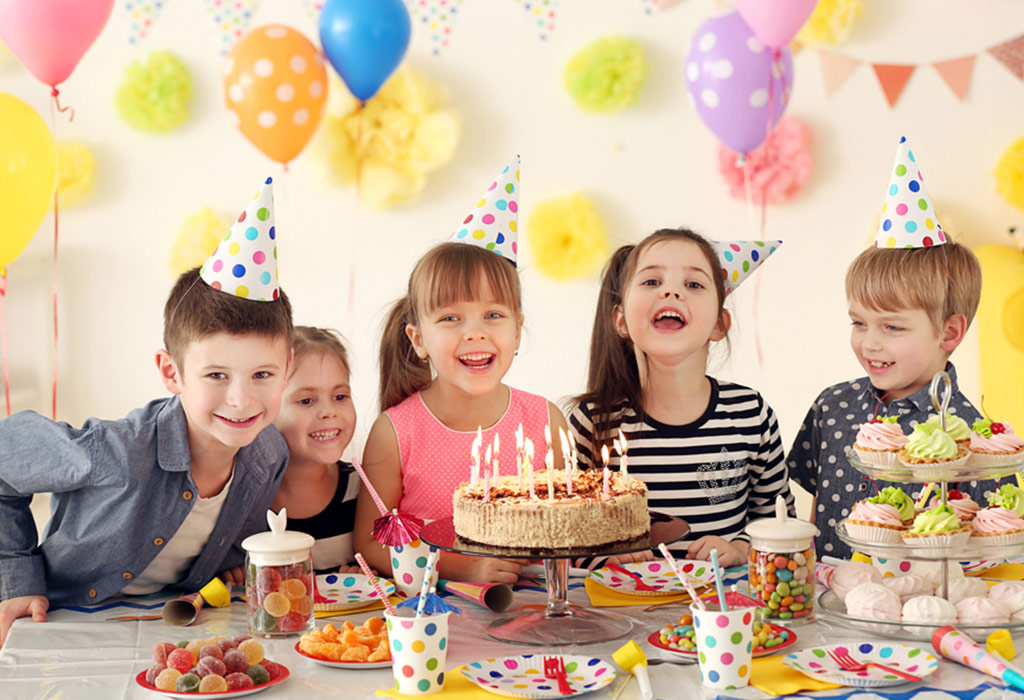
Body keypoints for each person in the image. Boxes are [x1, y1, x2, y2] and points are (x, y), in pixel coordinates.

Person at [0, 178, 292, 646]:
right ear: (171, 372)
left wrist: (233, 558)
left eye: (262, 375)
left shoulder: (270, 451)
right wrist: (16, 576)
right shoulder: (115, 451)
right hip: (69, 623)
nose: (241, 400)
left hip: (175, 631)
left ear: (287, 368)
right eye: (216, 376)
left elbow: (242, 528)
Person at [354, 157, 568, 584]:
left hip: (532, 610)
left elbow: (567, 527)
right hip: (431, 617)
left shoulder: (545, 421)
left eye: (493, 315)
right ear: (418, 340)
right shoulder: (395, 432)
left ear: (518, 330)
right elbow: (371, 543)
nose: (475, 334)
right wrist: (462, 567)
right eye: (451, 318)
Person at [787, 138, 983, 557]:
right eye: (859, 322)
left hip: (911, 615)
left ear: (949, 333)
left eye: (892, 327)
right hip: (827, 602)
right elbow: (814, 509)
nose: (869, 342)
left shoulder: (970, 437)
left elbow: (981, 548)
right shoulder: (832, 406)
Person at [569, 228, 793, 568]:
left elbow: (780, 526)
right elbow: (561, 542)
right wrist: (604, 557)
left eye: (693, 284)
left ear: (720, 324)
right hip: (619, 613)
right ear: (621, 320)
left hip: (721, 614)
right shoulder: (593, 421)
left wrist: (740, 550)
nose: (671, 291)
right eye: (651, 282)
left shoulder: (751, 414)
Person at [272, 326, 361, 574]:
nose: (329, 411)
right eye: (306, 401)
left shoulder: (364, 491)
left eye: (340, 396)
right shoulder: (245, 501)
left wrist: (365, 577)